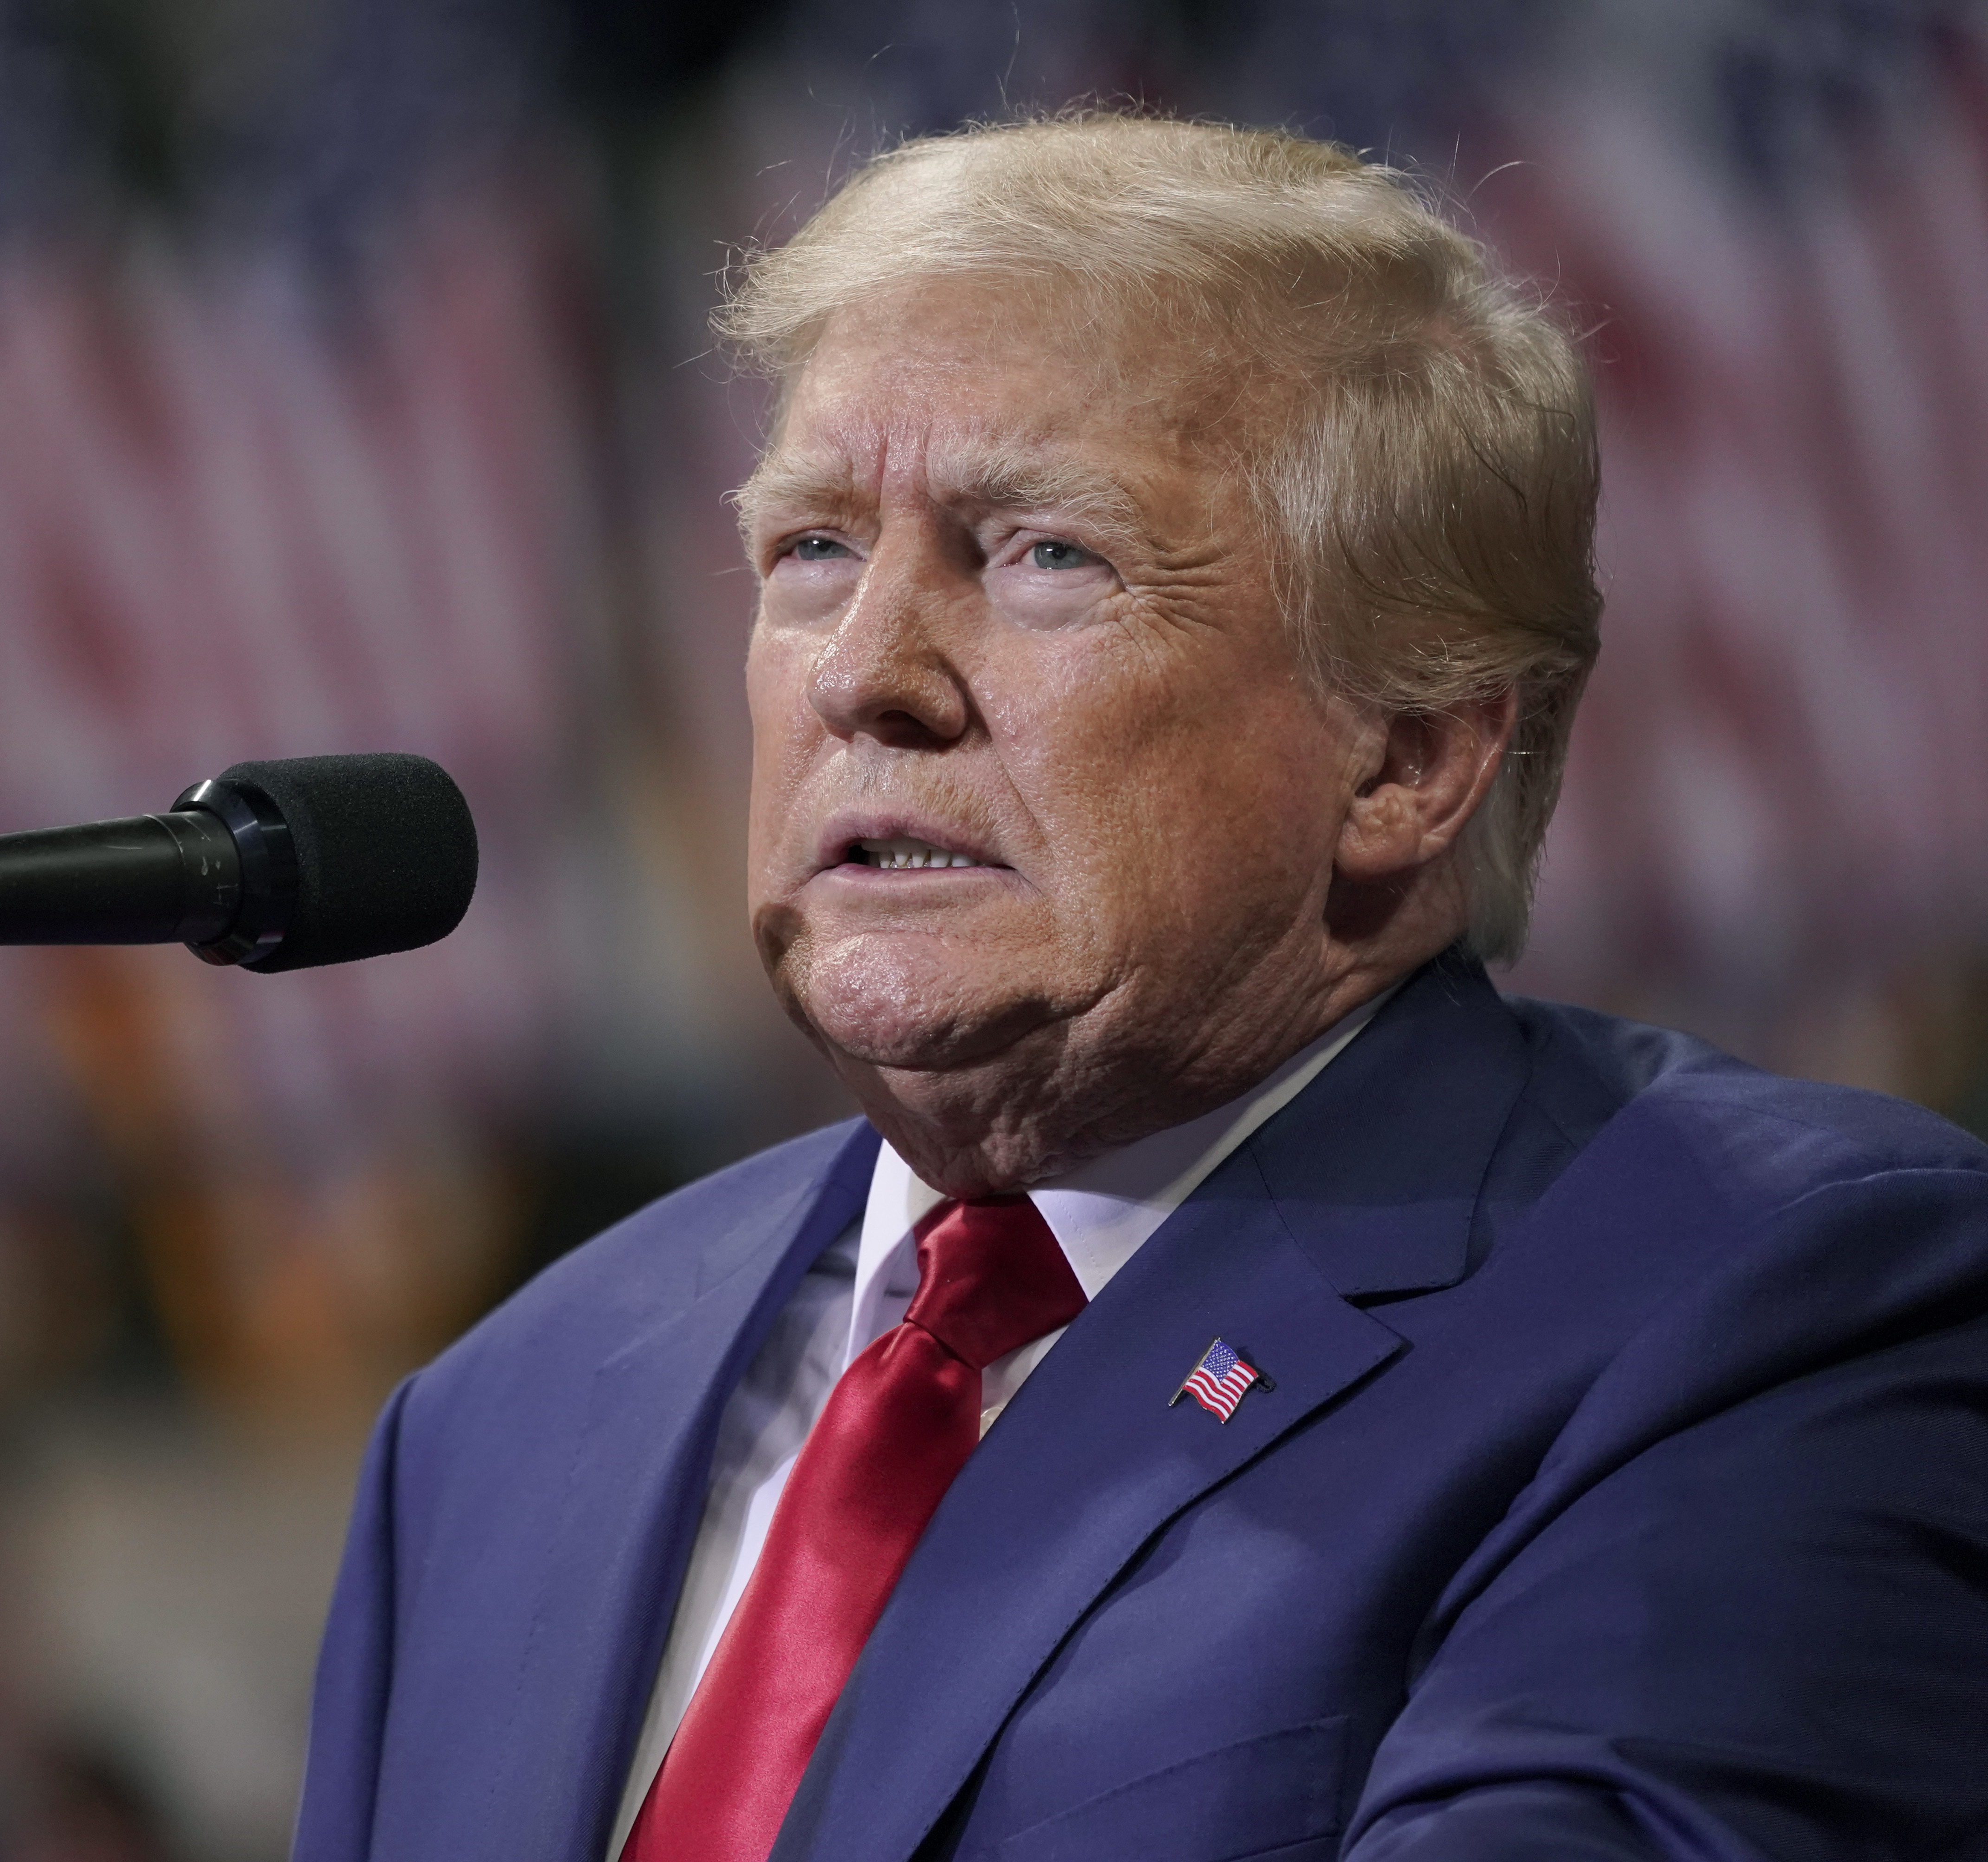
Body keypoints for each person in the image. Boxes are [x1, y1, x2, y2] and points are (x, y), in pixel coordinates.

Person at [291, 114, 1988, 1862]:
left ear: (1404, 756)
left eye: (1044, 554)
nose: (868, 671)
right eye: (810, 547)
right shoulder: (502, 1419)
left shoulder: (1763, 1304)